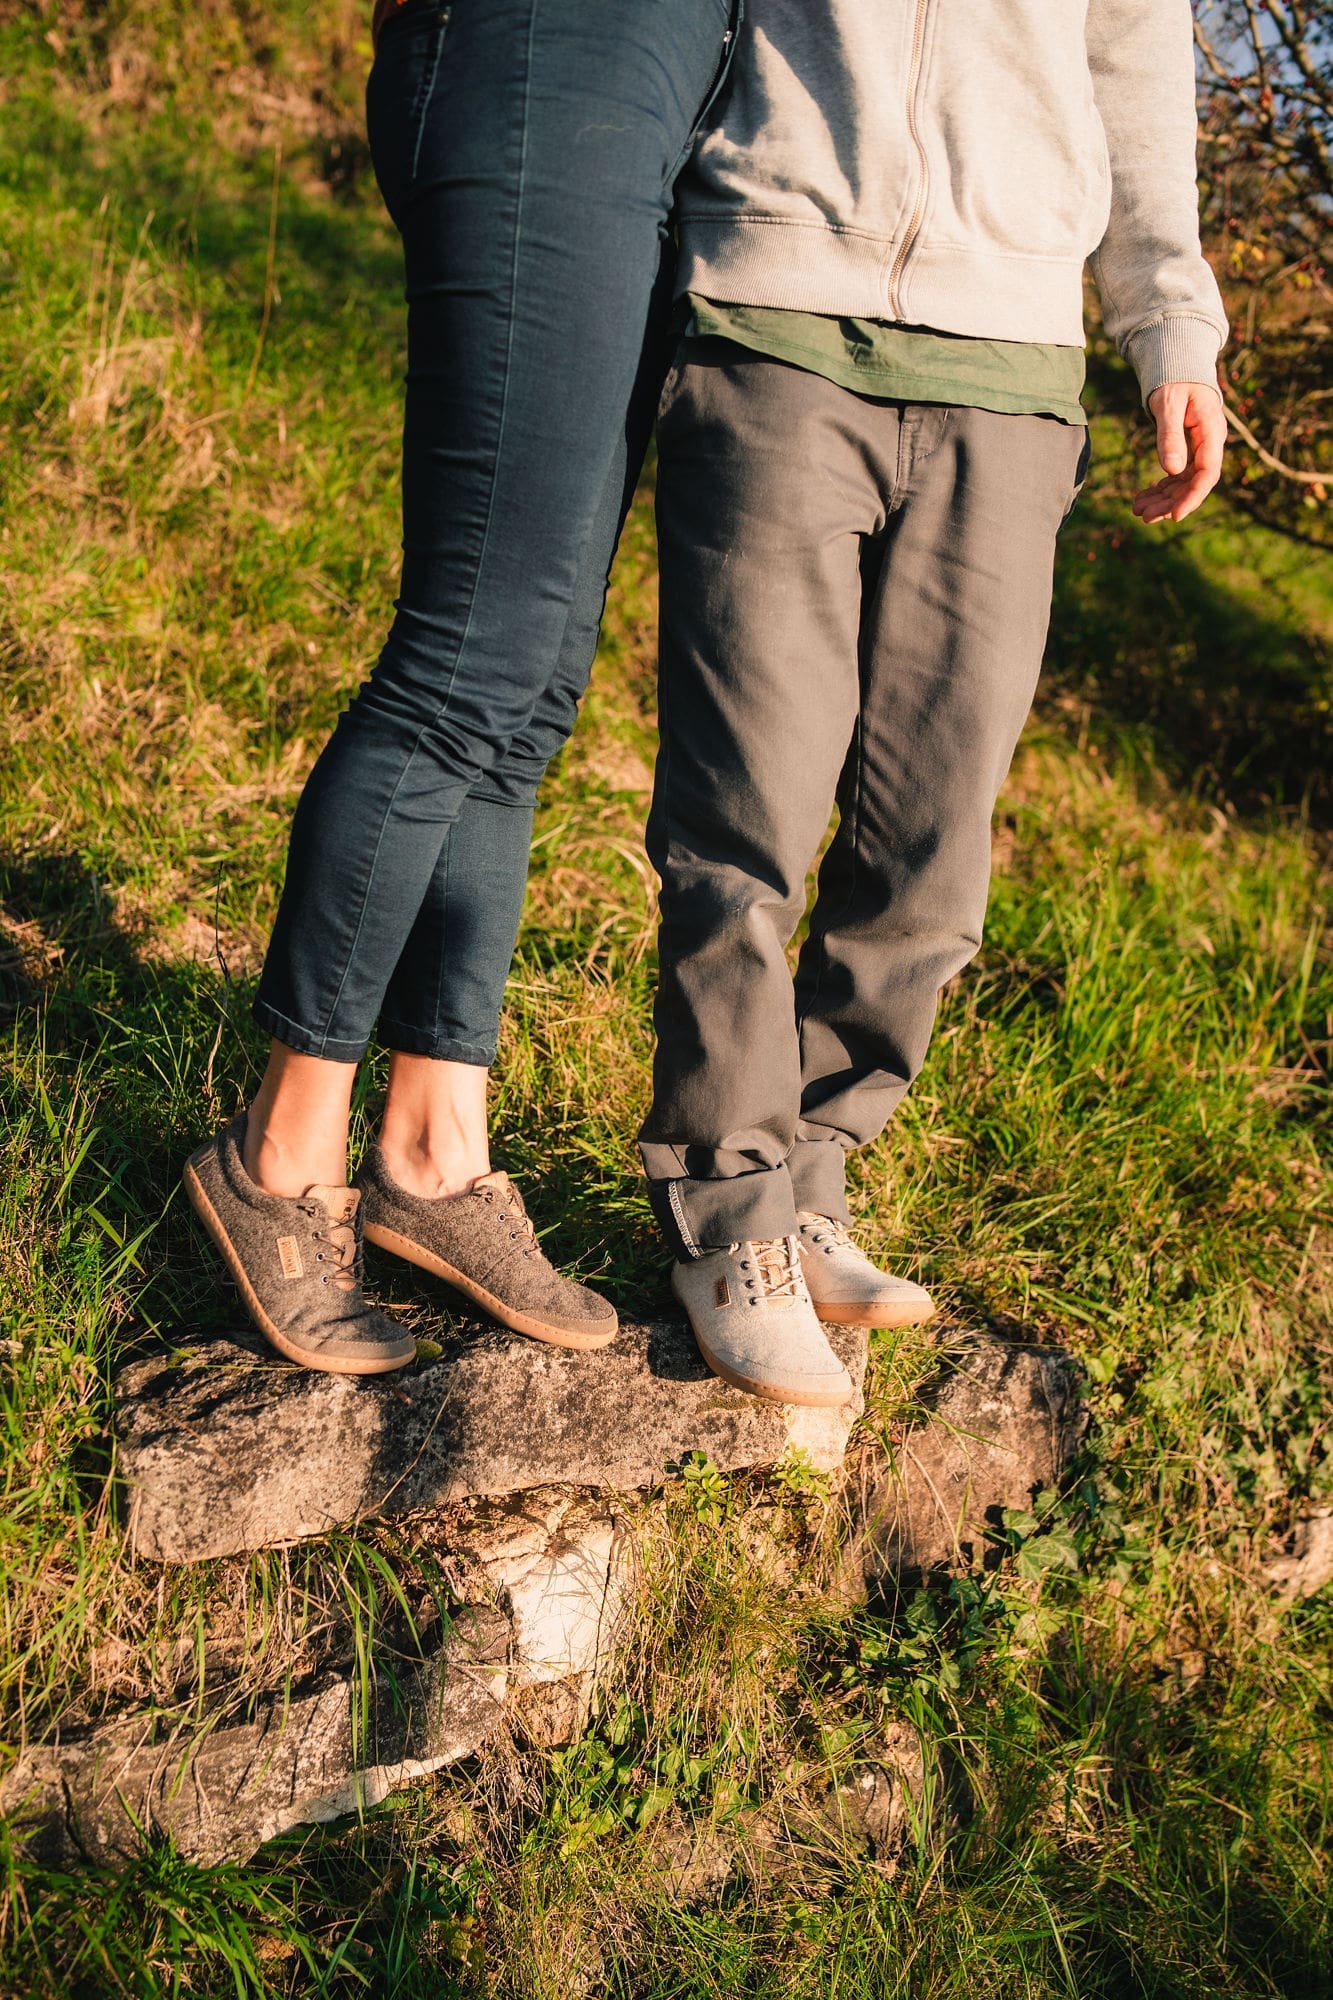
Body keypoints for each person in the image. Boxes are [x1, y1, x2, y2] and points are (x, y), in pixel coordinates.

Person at [639, 0, 1228, 1407]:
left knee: (931, 839)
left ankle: (810, 1175)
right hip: (774, 309)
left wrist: (1168, 321)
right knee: (747, 811)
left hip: (1011, 364)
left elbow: (1134, 57)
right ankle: (727, 1212)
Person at [184, 0, 741, 1375]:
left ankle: (432, 1150)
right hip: (556, 52)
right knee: (465, 663)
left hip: (668, 95)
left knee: (530, 692)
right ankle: (278, 1155)